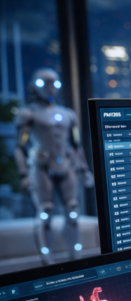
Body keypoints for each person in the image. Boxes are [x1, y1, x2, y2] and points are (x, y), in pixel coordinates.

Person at [14, 68, 93, 265]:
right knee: (45, 210)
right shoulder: (28, 114)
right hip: (41, 167)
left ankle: (75, 255)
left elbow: (76, 145)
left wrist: (84, 169)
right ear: (34, 87)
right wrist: (23, 174)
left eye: (54, 84)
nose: (50, 88)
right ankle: (47, 258)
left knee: (73, 210)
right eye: (44, 84)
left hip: (66, 165)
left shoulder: (68, 115)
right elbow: (20, 147)